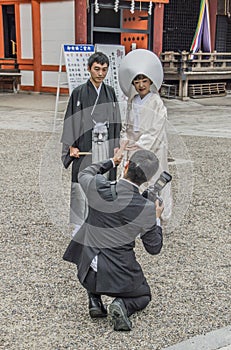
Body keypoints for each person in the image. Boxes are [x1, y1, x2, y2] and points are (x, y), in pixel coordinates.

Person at [63, 146, 164, 331]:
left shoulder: (98, 186)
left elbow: (84, 172)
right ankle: (122, 305)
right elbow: (154, 247)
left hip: (86, 272)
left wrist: (111, 162)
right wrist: (156, 218)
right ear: (147, 179)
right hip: (117, 279)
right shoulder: (146, 208)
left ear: (126, 166)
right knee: (144, 294)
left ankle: (94, 299)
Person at [61, 51, 121, 231]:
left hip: (105, 144)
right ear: (89, 69)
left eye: (104, 69)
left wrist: (117, 145)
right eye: (97, 69)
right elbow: (70, 118)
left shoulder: (110, 92)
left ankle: (101, 221)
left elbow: (116, 119)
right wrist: (71, 145)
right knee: (82, 182)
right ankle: (79, 225)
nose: (100, 73)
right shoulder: (79, 92)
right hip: (86, 144)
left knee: (104, 180)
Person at [118, 49, 172, 221]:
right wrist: (124, 142)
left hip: (152, 146)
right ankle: (136, 216)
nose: (141, 85)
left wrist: (141, 144)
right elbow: (126, 125)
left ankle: (158, 215)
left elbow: (156, 129)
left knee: (155, 179)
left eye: (144, 81)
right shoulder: (132, 102)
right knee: (134, 179)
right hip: (135, 145)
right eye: (137, 81)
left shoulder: (156, 102)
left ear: (150, 82)